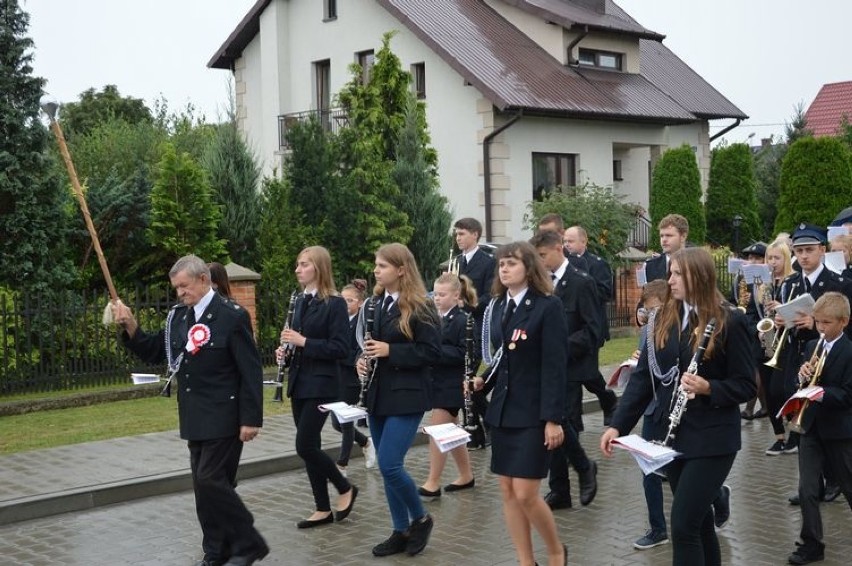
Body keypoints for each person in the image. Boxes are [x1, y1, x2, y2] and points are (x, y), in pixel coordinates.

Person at [601, 247, 756, 566]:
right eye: (670, 273)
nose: (669, 279)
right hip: (673, 438)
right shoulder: (663, 319)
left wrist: (710, 387)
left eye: (676, 274)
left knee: (683, 524)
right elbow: (643, 380)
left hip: (713, 439)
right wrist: (617, 425)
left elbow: (746, 385)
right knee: (699, 525)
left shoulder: (730, 321)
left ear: (698, 277)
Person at [113, 255, 268, 566]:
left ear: (203, 280)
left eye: (184, 286)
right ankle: (216, 551)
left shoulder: (231, 316)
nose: (179, 292)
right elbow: (157, 349)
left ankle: (249, 542)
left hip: (225, 414)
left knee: (211, 480)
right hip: (195, 415)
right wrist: (131, 326)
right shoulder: (179, 317)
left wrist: (251, 419)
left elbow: (250, 370)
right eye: (176, 288)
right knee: (204, 489)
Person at [474, 241, 568, 566]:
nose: (504, 269)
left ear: (528, 267)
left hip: (533, 411)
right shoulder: (499, 306)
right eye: (501, 264)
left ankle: (556, 550)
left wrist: (553, 419)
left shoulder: (547, 306)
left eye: (511, 263)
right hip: (503, 411)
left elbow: (555, 365)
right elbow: (504, 357)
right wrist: (483, 380)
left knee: (527, 493)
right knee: (508, 492)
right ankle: (526, 561)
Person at [356, 243, 441, 557]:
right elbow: (369, 345)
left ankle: (420, 517)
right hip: (379, 393)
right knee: (384, 464)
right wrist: (360, 359)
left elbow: (432, 352)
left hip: (408, 395)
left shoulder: (421, 305)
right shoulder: (376, 303)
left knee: (390, 464)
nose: (376, 271)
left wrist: (392, 351)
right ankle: (400, 529)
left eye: (382, 266)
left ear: (401, 269)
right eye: (376, 265)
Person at [277, 246, 357, 529]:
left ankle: (345, 487)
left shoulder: (334, 303)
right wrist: (285, 352)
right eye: (297, 265)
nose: (298, 270)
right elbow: (297, 342)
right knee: (312, 445)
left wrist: (304, 342)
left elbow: (341, 348)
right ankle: (322, 508)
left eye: (304, 265)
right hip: (300, 383)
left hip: (322, 385)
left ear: (319, 268)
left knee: (305, 445)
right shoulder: (299, 301)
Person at [530, 230, 600, 511]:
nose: (540, 262)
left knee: (561, 422)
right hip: (543, 369)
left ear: (559, 249)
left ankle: (583, 468)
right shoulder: (539, 285)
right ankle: (560, 490)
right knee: (550, 426)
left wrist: (558, 346)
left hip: (570, 367)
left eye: (543, 256)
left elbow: (594, 331)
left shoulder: (581, 283)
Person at [785, 292, 852, 565]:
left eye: (827, 323)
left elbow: (848, 395)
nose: (821, 328)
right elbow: (801, 385)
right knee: (807, 489)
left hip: (839, 430)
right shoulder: (813, 345)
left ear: (844, 321)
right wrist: (801, 379)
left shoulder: (849, 351)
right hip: (811, 427)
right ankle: (812, 543)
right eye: (818, 321)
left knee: (849, 485)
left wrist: (820, 391)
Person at [418, 272, 477, 498]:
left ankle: (432, 482)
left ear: (456, 295)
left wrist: (433, 352)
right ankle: (466, 475)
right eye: (435, 294)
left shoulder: (463, 320)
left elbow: (465, 353)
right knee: (451, 432)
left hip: (452, 384)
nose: (437, 298)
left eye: (442, 295)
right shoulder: (433, 318)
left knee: (437, 431)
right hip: (436, 381)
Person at [562, 225, 618, 424]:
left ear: (583, 242)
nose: (566, 245)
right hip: (570, 327)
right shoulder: (563, 265)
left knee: (587, 372)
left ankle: (607, 398)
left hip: (590, 328)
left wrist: (584, 285)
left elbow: (605, 292)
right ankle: (605, 400)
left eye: (570, 241)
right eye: (565, 241)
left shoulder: (596, 264)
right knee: (581, 373)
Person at [631, 279, 672, 550]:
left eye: (656, 311)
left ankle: (717, 495)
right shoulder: (647, 329)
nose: (650, 317)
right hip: (652, 407)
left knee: (679, 466)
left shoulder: (681, 329)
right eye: (647, 312)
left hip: (675, 407)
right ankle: (658, 528)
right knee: (649, 467)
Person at [453, 217, 496, 450]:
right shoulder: (456, 261)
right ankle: (478, 431)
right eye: (457, 234)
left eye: (462, 234)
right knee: (462, 381)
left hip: (477, 328)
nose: (458, 238)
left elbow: (491, 296)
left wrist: (468, 305)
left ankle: (487, 424)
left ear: (475, 235)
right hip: (456, 328)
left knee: (467, 380)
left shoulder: (488, 262)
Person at [331, 279, 376, 475]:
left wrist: (341, 354)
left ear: (359, 303)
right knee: (336, 422)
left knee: (345, 421)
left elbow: (359, 350)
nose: (345, 304)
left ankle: (342, 464)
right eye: (343, 300)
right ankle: (366, 442)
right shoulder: (337, 321)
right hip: (336, 376)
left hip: (351, 377)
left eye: (349, 300)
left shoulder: (362, 323)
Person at [759, 239, 797, 454]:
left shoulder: (793, 282)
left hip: (786, 342)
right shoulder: (765, 285)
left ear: (785, 259)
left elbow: (800, 311)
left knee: (780, 389)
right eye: (769, 258)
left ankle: (794, 433)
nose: (772, 262)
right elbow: (756, 313)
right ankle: (779, 437)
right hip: (767, 340)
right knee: (768, 391)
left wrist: (782, 310)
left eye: (777, 258)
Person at [731, 242, 770, 421]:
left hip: (760, 328)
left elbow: (766, 309)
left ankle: (749, 407)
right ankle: (765, 406)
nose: (751, 261)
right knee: (754, 367)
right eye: (750, 258)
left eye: (757, 258)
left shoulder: (768, 280)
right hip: (745, 325)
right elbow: (735, 301)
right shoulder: (742, 279)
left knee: (755, 367)